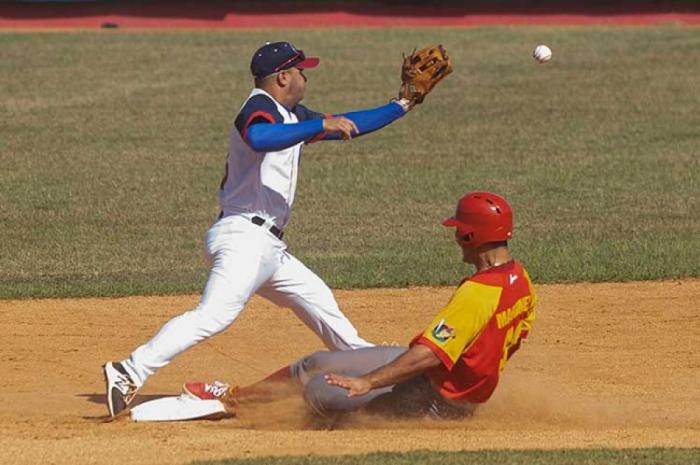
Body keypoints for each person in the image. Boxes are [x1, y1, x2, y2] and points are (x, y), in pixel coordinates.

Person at [103, 41, 417, 418]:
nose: (306, 76)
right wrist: (317, 124)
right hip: (243, 239)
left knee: (327, 313)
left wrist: (401, 106)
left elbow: (349, 124)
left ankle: (386, 379)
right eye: (302, 70)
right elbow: (258, 138)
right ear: (283, 76)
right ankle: (129, 370)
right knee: (214, 315)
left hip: (268, 249)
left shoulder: (290, 114)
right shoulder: (259, 107)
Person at [184, 192, 538, 420]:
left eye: (458, 229)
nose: (454, 236)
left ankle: (292, 429)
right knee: (314, 363)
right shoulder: (520, 281)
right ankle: (235, 399)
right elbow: (510, 338)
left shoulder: (477, 293)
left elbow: (427, 356)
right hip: (436, 379)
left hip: (432, 399)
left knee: (319, 392)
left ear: (469, 236)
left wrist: (367, 382)